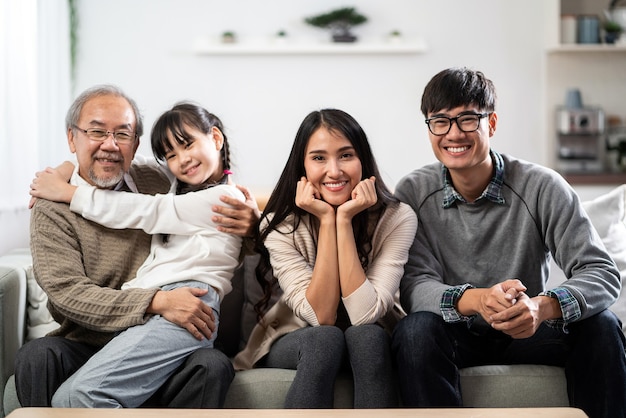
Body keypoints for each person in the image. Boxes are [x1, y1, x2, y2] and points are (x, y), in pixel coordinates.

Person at [391, 67, 626, 418]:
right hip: (456, 331)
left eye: (468, 119)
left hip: (529, 330)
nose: (453, 134)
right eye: (440, 121)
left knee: (603, 325)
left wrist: (542, 306)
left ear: (492, 123)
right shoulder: (413, 192)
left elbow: (601, 273)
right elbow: (413, 285)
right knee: (414, 332)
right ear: (429, 127)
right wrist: (479, 300)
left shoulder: (542, 186)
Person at [16, 85, 260, 408]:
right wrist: (155, 301)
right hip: (94, 336)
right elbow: (67, 293)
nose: (109, 145)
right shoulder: (53, 205)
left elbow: (144, 210)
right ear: (72, 138)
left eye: (122, 134)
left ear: (135, 144)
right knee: (40, 358)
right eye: (96, 132)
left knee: (212, 364)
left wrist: (253, 225)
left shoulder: (158, 183)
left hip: (175, 316)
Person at [233, 109, 417, 408]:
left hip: (375, 339)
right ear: (302, 166)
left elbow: (364, 315)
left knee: (367, 336)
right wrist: (328, 221)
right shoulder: (280, 225)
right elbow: (321, 318)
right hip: (300, 337)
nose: (334, 170)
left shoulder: (396, 218)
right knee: (325, 338)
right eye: (319, 158)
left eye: (346, 155)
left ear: (363, 160)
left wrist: (343, 220)